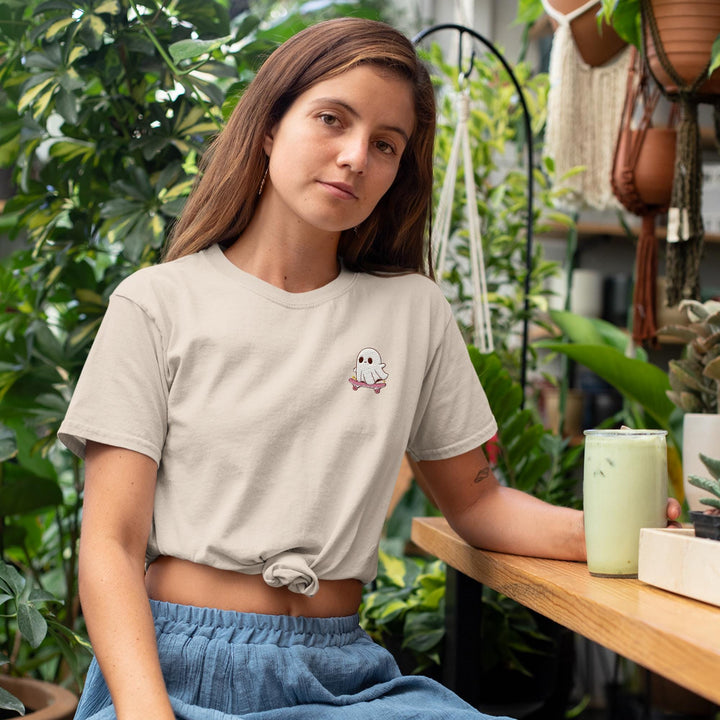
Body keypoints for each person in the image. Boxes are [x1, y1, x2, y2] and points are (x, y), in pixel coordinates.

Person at [58, 16, 680, 720]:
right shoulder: (156, 304)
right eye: (332, 119)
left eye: (385, 145)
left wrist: (611, 532)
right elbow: (110, 543)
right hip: (176, 675)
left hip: (344, 676)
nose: (356, 156)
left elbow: (476, 503)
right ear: (268, 126)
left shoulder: (411, 312)